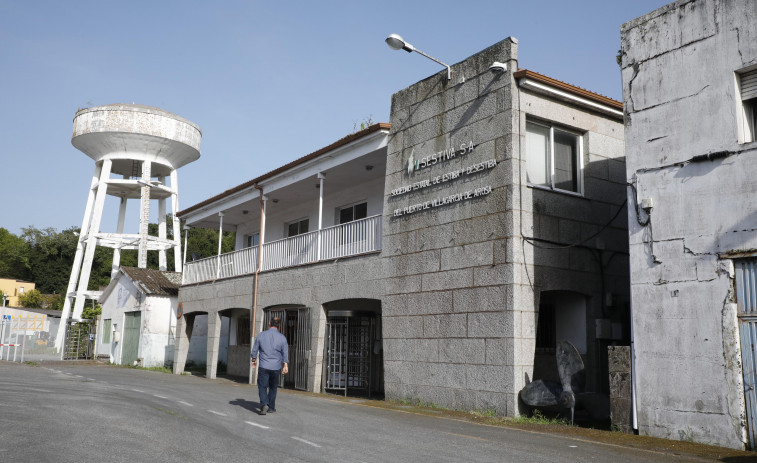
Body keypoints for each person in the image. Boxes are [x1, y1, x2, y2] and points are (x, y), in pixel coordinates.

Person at [251, 317, 289, 415]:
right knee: (273, 387)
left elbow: (255, 349)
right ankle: (271, 407)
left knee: (262, 386)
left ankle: (264, 404)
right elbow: (285, 352)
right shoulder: (282, 338)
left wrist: (254, 360)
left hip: (264, 366)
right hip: (276, 367)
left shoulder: (261, 335)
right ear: (279, 325)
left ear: (269, 323)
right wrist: (285, 365)